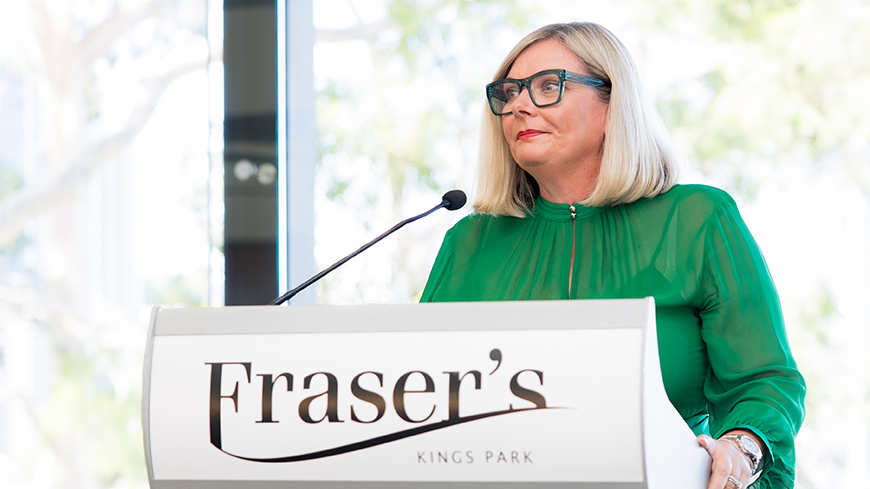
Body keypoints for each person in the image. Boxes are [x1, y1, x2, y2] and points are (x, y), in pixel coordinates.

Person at [421, 22, 805, 489]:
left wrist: (743, 446)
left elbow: (764, 382)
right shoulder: (469, 242)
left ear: (612, 101)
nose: (519, 105)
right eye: (508, 93)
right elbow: (423, 399)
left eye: (547, 87)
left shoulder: (697, 219)